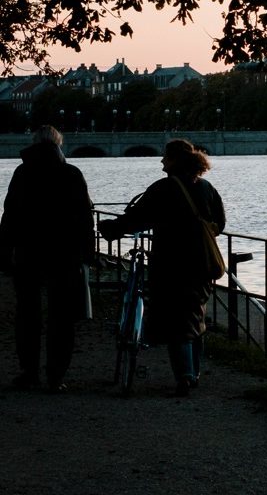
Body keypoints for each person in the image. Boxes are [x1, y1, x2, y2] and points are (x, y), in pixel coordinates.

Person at [100, 138, 226, 396]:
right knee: (195, 314)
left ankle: (185, 377)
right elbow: (220, 223)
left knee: (176, 320)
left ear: (174, 160)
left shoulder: (163, 188)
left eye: (165, 157)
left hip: (171, 263)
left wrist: (111, 229)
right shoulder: (207, 188)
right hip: (202, 263)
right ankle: (194, 372)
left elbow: (138, 218)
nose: (161, 161)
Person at [0, 124, 95, 392]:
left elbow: (10, 215)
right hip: (64, 254)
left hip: (28, 252)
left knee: (27, 314)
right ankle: (56, 375)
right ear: (58, 144)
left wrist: (5, 252)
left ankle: (29, 371)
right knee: (61, 317)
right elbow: (84, 218)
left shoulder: (23, 172)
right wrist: (87, 251)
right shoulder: (71, 173)